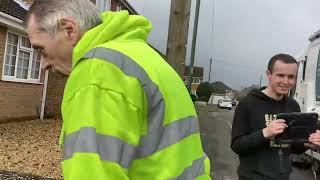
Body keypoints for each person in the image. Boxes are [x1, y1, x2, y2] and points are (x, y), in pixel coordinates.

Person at [25, 0, 211, 179]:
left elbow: (93, 173)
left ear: (69, 30)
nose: (43, 65)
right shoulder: (146, 58)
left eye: (41, 50)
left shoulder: (97, 71)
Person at [231, 53, 320, 180]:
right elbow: (237, 145)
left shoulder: (293, 106)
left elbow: (293, 146)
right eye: (280, 75)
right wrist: (265, 133)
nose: (286, 81)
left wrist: (310, 144)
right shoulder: (248, 104)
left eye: (291, 77)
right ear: (269, 74)